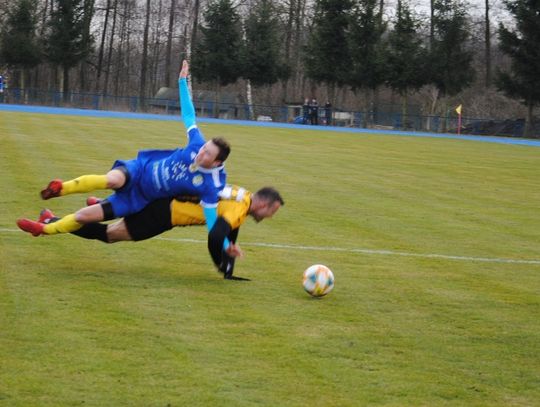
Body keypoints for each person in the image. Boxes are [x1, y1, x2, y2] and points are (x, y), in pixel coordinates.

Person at [17, 60, 231, 240]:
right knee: (112, 180)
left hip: (138, 198)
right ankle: (59, 188)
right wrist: (182, 82)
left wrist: (223, 245)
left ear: (217, 163)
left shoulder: (211, 185)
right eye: (203, 148)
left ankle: (44, 228)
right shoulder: (196, 143)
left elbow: (211, 220)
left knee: (83, 216)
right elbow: (188, 115)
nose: (201, 153)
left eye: (207, 155)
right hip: (140, 169)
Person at [34, 185, 284, 280]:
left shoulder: (243, 195)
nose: (269, 216)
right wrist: (223, 256)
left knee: (117, 220)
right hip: (164, 215)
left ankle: (102, 203)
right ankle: (51, 219)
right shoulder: (239, 209)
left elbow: (230, 230)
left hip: (163, 199)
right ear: (263, 204)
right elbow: (216, 236)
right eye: (271, 211)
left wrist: (226, 269)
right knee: (110, 235)